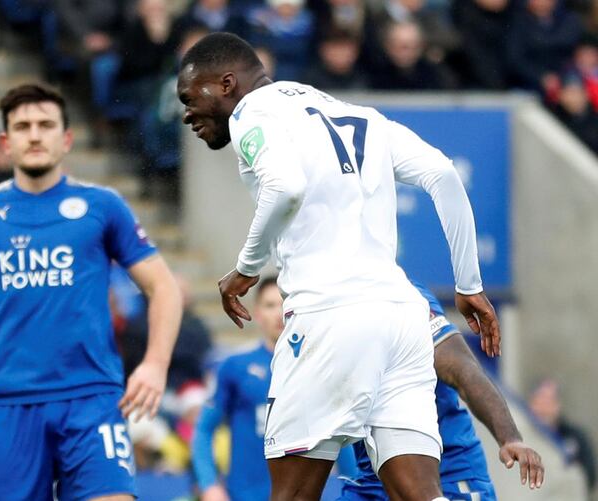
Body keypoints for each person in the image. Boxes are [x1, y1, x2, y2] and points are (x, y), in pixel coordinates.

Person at [177, 32, 502, 501]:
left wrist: (247, 267)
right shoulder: (356, 114)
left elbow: (284, 185)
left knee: (290, 494)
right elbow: (443, 174)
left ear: (226, 83)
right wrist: (469, 284)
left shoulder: (253, 114)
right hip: (401, 318)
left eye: (190, 98)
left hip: (329, 315)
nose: (187, 113)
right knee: (420, 494)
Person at [0, 83, 183, 501]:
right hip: (9, 405)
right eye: (22, 126)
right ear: (4, 142)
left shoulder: (102, 206)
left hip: (91, 400)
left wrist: (155, 365)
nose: (34, 134)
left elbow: (162, 287)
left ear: (66, 139)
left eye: (46, 125)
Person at [338, 282, 544, 500]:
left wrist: (509, 438)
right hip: (372, 481)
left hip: (446, 475)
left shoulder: (403, 297)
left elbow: (462, 370)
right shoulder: (316, 301)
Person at [191, 276, 283, 501]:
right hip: (245, 495)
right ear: (257, 313)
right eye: (270, 305)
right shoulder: (235, 366)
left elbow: (341, 440)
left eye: (285, 304)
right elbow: (203, 429)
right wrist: (209, 485)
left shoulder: (315, 369)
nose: (279, 313)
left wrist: (352, 482)